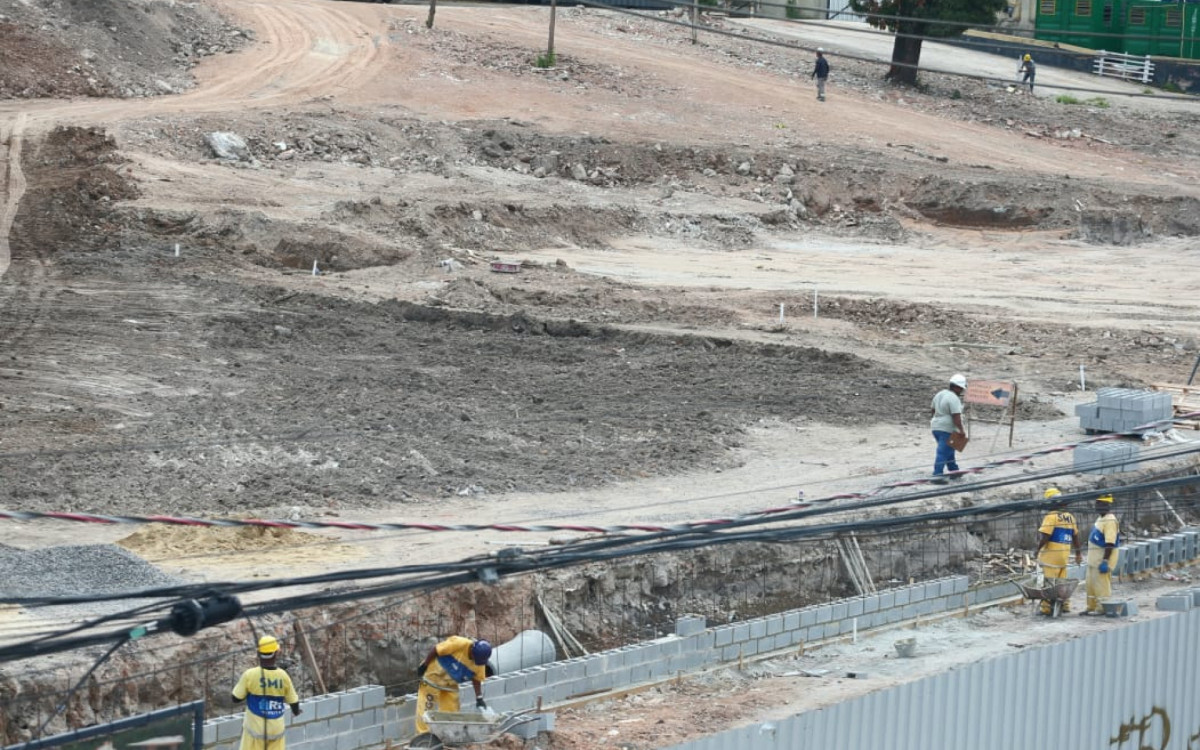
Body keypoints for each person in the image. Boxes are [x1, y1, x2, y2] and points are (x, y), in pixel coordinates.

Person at [232, 636, 302, 750]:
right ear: (276, 653)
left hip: (255, 731)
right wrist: (296, 711)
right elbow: (294, 701)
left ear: (258, 654)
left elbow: (235, 698)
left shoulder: (250, 675)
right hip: (276, 731)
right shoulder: (283, 676)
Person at [415, 636, 492, 734]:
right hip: (433, 677)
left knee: (452, 711)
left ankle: (448, 735)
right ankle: (423, 736)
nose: (475, 661)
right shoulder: (459, 643)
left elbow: (476, 679)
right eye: (474, 658)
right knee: (427, 708)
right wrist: (425, 665)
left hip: (450, 684)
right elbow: (436, 650)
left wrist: (479, 698)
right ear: (472, 650)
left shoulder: (479, 662)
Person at [1035, 488, 1081, 614]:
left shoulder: (1051, 517)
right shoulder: (1070, 517)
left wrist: (1037, 549)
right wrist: (1078, 553)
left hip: (1051, 556)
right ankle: (1065, 605)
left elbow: (1045, 536)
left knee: (1049, 582)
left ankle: (1046, 608)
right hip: (1064, 556)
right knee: (1062, 582)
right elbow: (1075, 537)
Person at [1083, 494, 1121, 615]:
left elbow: (1110, 543)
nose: (1098, 506)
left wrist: (1105, 561)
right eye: (1097, 503)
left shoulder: (1110, 520)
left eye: (1101, 504)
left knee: (1101, 585)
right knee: (1090, 585)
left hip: (1101, 560)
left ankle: (1102, 608)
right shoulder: (1101, 518)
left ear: (1108, 505)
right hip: (1093, 560)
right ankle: (1091, 607)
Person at [929, 374, 968, 483]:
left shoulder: (940, 394)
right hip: (947, 428)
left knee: (948, 450)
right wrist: (961, 431)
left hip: (935, 427)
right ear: (956, 387)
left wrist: (936, 420)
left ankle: (954, 470)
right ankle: (937, 475)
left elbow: (932, 409)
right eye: (961, 388)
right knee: (942, 452)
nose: (961, 391)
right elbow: (956, 417)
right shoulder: (954, 398)